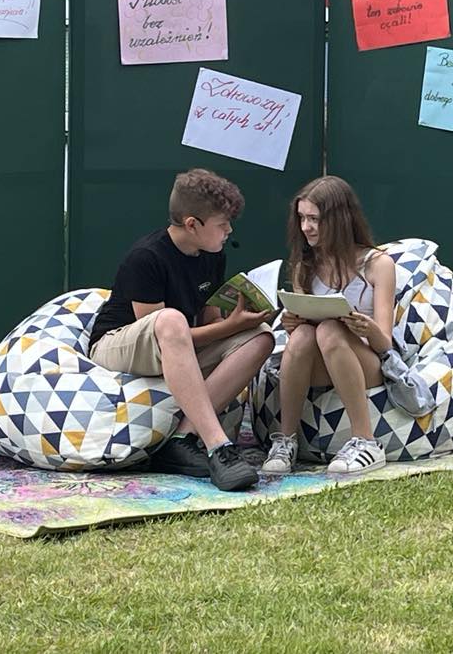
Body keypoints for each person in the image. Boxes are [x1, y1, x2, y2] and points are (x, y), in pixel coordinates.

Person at [88, 168, 275, 491]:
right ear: (192, 224)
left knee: (261, 337)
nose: (229, 230)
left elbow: (208, 322)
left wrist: (237, 323)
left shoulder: (212, 256)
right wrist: (228, 327)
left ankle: (181, 439)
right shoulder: (146, 257)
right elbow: (161, 333)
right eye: (222, 224)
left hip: (175, 345)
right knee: (171, 320)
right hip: (118, 344)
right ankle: (218, 446)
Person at [261, 176, 396, 476]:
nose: (306, 227)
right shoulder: (304, 266)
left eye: (314, 219)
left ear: (339, 220)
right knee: (304, 334)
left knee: (330, 329)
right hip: (321, 363)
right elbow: (302, 338)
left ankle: (366, 441)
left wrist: (366, 328)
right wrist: (292, 323)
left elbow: (385, 343)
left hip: (367, 362)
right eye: (301, 218)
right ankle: (286, 440)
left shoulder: (378, 264)